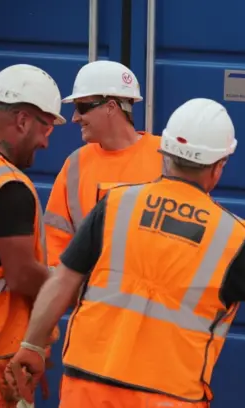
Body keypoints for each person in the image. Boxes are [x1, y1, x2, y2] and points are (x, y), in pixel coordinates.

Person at [4, 98, 245, 408]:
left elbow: (61, 281)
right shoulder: (231, 236)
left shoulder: (116, 205)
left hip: (88, 392)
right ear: (219, 166)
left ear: (165, 153)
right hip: (167, 404)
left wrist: (32, 345)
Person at [44, 60, 164, 269]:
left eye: (82, 108)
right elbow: (55, 245)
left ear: (111, 107)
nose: (74, 118)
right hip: (93, 300)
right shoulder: (75, 165)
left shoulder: (166, 157)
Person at [0, 64, 66, 408]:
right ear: (22, 120)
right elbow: (22, 275)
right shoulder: (9, 187)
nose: (46, 141)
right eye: (46, 127)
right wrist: (69, 286)